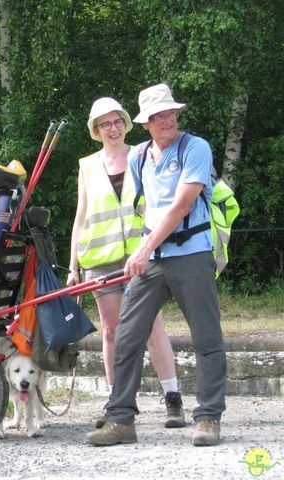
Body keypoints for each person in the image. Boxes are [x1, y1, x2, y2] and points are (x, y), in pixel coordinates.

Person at [87, 84, 226, 447]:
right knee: (127, 337)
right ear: (145, 123)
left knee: (206, 338)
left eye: (171, 113)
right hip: (154, 260)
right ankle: (121, 421)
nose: (168, 119)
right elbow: (148, 207)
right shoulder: (140, 157)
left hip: (192, 255)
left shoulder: (195, 148)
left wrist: (143, 248)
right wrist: (145, 249)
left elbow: (182, 205)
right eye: (158, 115)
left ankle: (209, 418)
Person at [68, 97, 185, 429]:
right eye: (105, 124)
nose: (113, 128)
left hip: (140, 255)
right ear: (96, 130)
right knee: (111, 332)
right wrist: (73, 267)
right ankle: (116, 401)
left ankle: (172, 398)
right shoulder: (87, 165)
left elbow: (159, 204)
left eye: (117, 121)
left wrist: (152, 247)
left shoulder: (143, 154)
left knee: (152, 326)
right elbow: (80, 218)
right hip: (100, 260)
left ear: (126, 123)